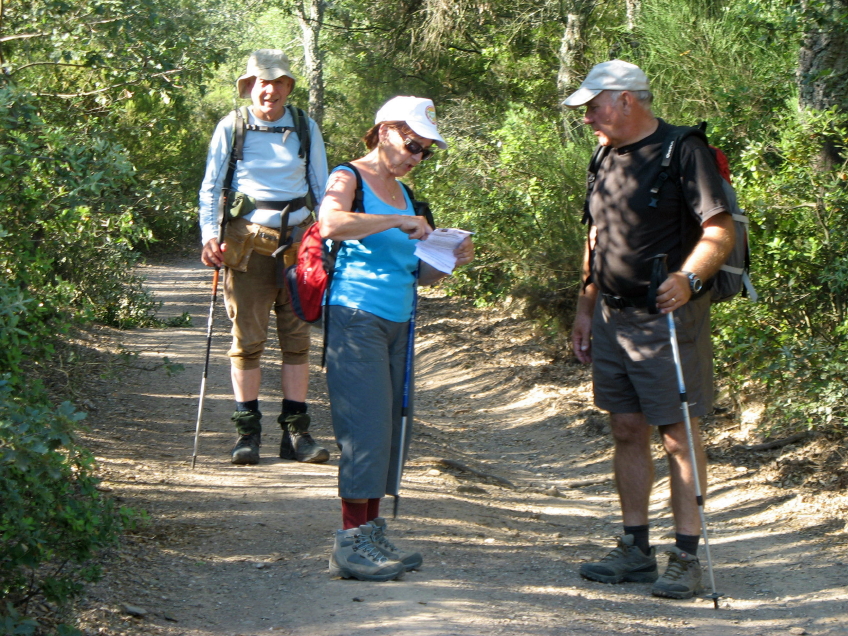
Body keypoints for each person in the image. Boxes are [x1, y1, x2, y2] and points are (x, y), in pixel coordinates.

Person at [564, 60, 735, 599]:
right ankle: (635, 548)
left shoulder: (683, 150)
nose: (588, 116)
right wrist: (585, 306)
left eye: (593, 105)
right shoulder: (603, 155)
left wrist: (688, 278)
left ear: (626, 100)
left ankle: (686, 556)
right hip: (613, 317)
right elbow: (595, 238)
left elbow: (720, 229)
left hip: (666, 318)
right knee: (625, 429)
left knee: (678, 436)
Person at [317, 96, 474, 581]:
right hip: (355, 316)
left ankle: (372, 530)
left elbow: (418, 273)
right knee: (364, 426)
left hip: (400, 321)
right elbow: (331, 224)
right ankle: (349, 543)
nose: (416, 157)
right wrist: (395, 221)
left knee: (390, 427)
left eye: (425, 151)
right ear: (385, 130)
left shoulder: (407, 194)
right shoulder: (348, 177)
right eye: (412, 144)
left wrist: (448, 259)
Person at [198, 49, 330, 466]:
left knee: (297, 341)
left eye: (276, 82)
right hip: (247, 244)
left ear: (288, 87)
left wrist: (327, 240)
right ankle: (247, 434)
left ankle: (296, 434)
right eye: (259, 82)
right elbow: (210, 187)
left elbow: (323, 188)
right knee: (247, 343)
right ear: (248, 87)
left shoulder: (305, 127)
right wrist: (208, 235)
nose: (267, 89)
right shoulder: (232, 126)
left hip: (298, 246)